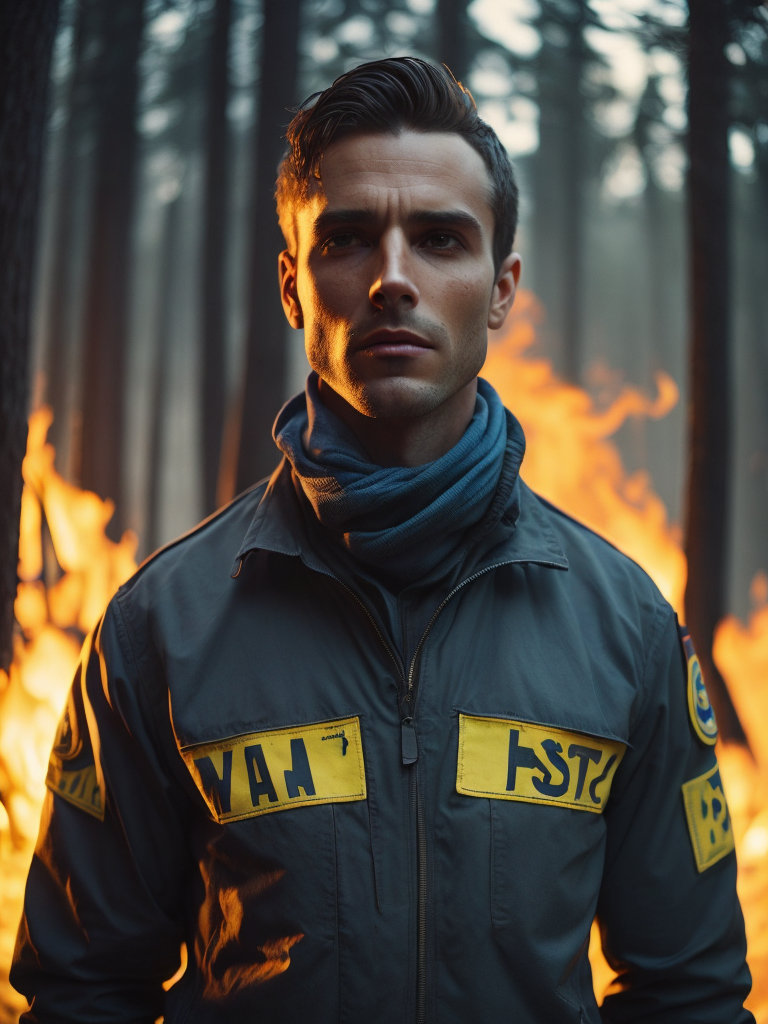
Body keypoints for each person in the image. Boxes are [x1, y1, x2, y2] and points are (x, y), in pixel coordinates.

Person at [12, 57, 753, 1024]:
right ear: (293, 285)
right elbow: (81, 995)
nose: (393, 280)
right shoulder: (161, 626)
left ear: (500, 289)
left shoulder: (627, 628)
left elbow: (689, 997)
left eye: (441, 240)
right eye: (349, 240)